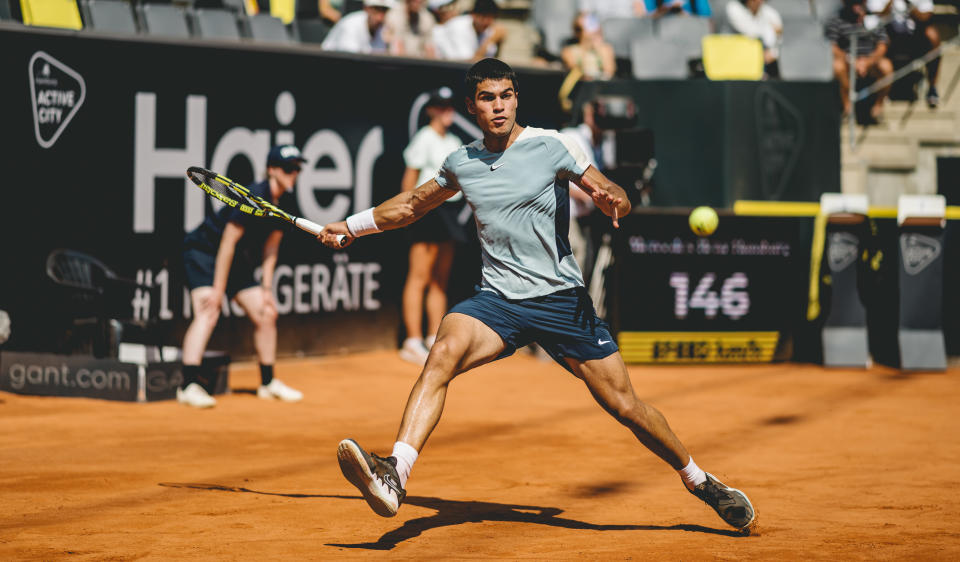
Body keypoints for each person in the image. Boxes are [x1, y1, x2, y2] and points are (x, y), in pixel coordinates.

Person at [318, 58, 756, 532]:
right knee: (442, 351)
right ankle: (394, 474)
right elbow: (408, 206)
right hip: (498, 301)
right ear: (472, 106)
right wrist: (351, 228)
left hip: (561, 300)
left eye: (506, 95)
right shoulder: (461, 161)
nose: (498, 106)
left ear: (516, 98)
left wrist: (614, 198)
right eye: (487, 98)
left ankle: (700, 480)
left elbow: (606, 188)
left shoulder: (552, 145)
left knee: (625, 407)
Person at [177, 146, 306, 408]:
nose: (294, 173)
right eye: (288, 168)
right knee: (208, 311)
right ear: (271, 170)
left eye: (297, 168)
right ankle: (188, 385)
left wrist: (267, 288)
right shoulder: (254, 196)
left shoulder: (286, 201)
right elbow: (228, 241)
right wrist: (218, 290)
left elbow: (271, 248)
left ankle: (268, 383)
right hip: (204, 251)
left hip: (234, 260)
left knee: (266, 312)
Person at [398, 87, 467, 365]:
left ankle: (431, 337)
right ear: (432, 111)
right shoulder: (423, 138)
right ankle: (411, 341)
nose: (448, 111)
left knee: (439, 279)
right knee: (419, 277)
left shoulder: (453, 141)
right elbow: (408, 181)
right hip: (427, 213)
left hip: (449, 214)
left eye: (450, 106)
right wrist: (409, 214)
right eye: (442, 106)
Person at [824, 0, 893, 122]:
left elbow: (883, 44)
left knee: (886, 66)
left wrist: (868, 62)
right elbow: (832, 47)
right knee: (837, 67)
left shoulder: (873, 19)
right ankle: (847, 107)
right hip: (847, 61)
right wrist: (851, 60)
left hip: (870, 61)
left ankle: (878, 105)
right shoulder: (836, 20)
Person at [865, 0, 941, 107]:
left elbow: (926, 16)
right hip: (889, 34)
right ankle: (880, 91)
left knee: (933, 35)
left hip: (914, 36)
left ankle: (932, 88)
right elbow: (877, 18)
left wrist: (908, 4)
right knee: (880, 39)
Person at [726, 0, 783, 78]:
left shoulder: (770, 13)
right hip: (736, 57)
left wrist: (773, 53)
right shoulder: (733, 7)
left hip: (765, 59)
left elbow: (778, 41)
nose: (759, 1)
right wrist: (772, 30)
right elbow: (751, 32)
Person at [433, 0, 505, 61]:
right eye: (483, 17)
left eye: (490, 18)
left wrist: (498, 43)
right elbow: (468, 64)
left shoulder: (488, 29)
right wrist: (491, 40)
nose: (486, 21)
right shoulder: (459, 26)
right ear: (473, 15)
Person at [321, 0, 394, 54]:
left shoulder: (382, 30)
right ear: (366, 8)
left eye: (384, 11)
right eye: (376, 9)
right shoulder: (351, 24)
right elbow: (350, 61)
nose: (380, 17)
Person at [561, 13, 617, 81]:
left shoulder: (605, 49)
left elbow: (609, 72)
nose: (594, 29)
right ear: (579, 31)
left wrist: (599, 49)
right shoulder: (569, 51)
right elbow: (576, 72)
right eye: (589, 25)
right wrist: (586, 47)